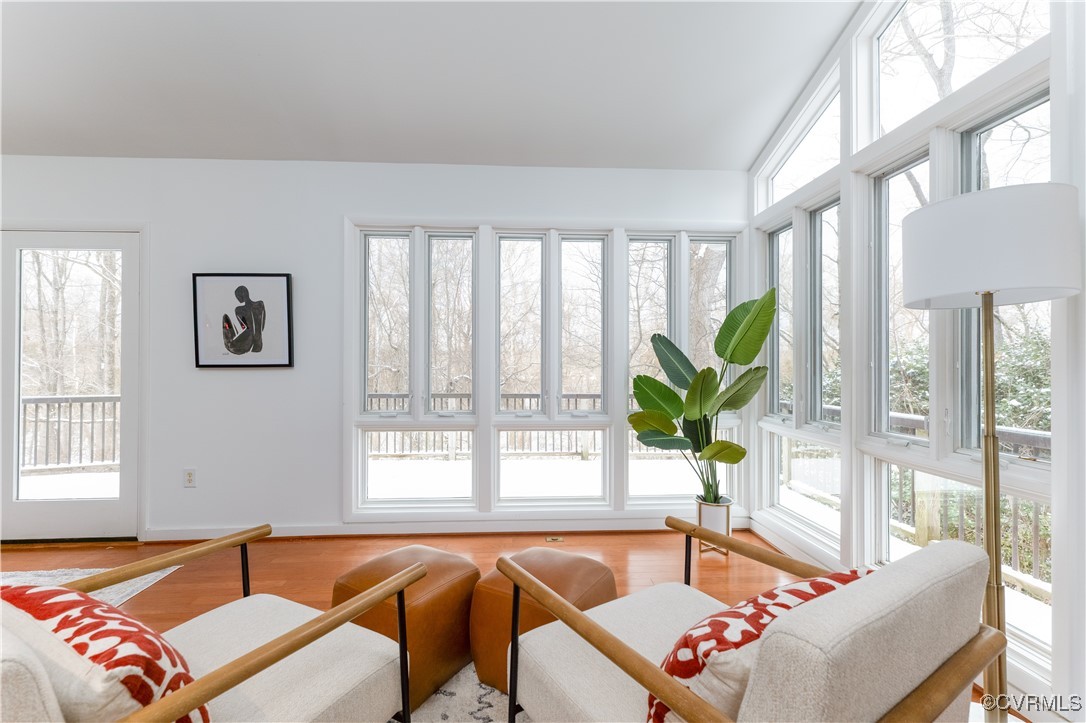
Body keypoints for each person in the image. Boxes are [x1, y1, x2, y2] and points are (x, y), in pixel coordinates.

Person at [221, 285, 266, 354]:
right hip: (259, 344)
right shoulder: (260, 304)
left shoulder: (239, 310)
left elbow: (245, 327)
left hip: (247, 343)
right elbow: (262, 325)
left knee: (225, 319)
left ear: (240, 295)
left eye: (237, 296)